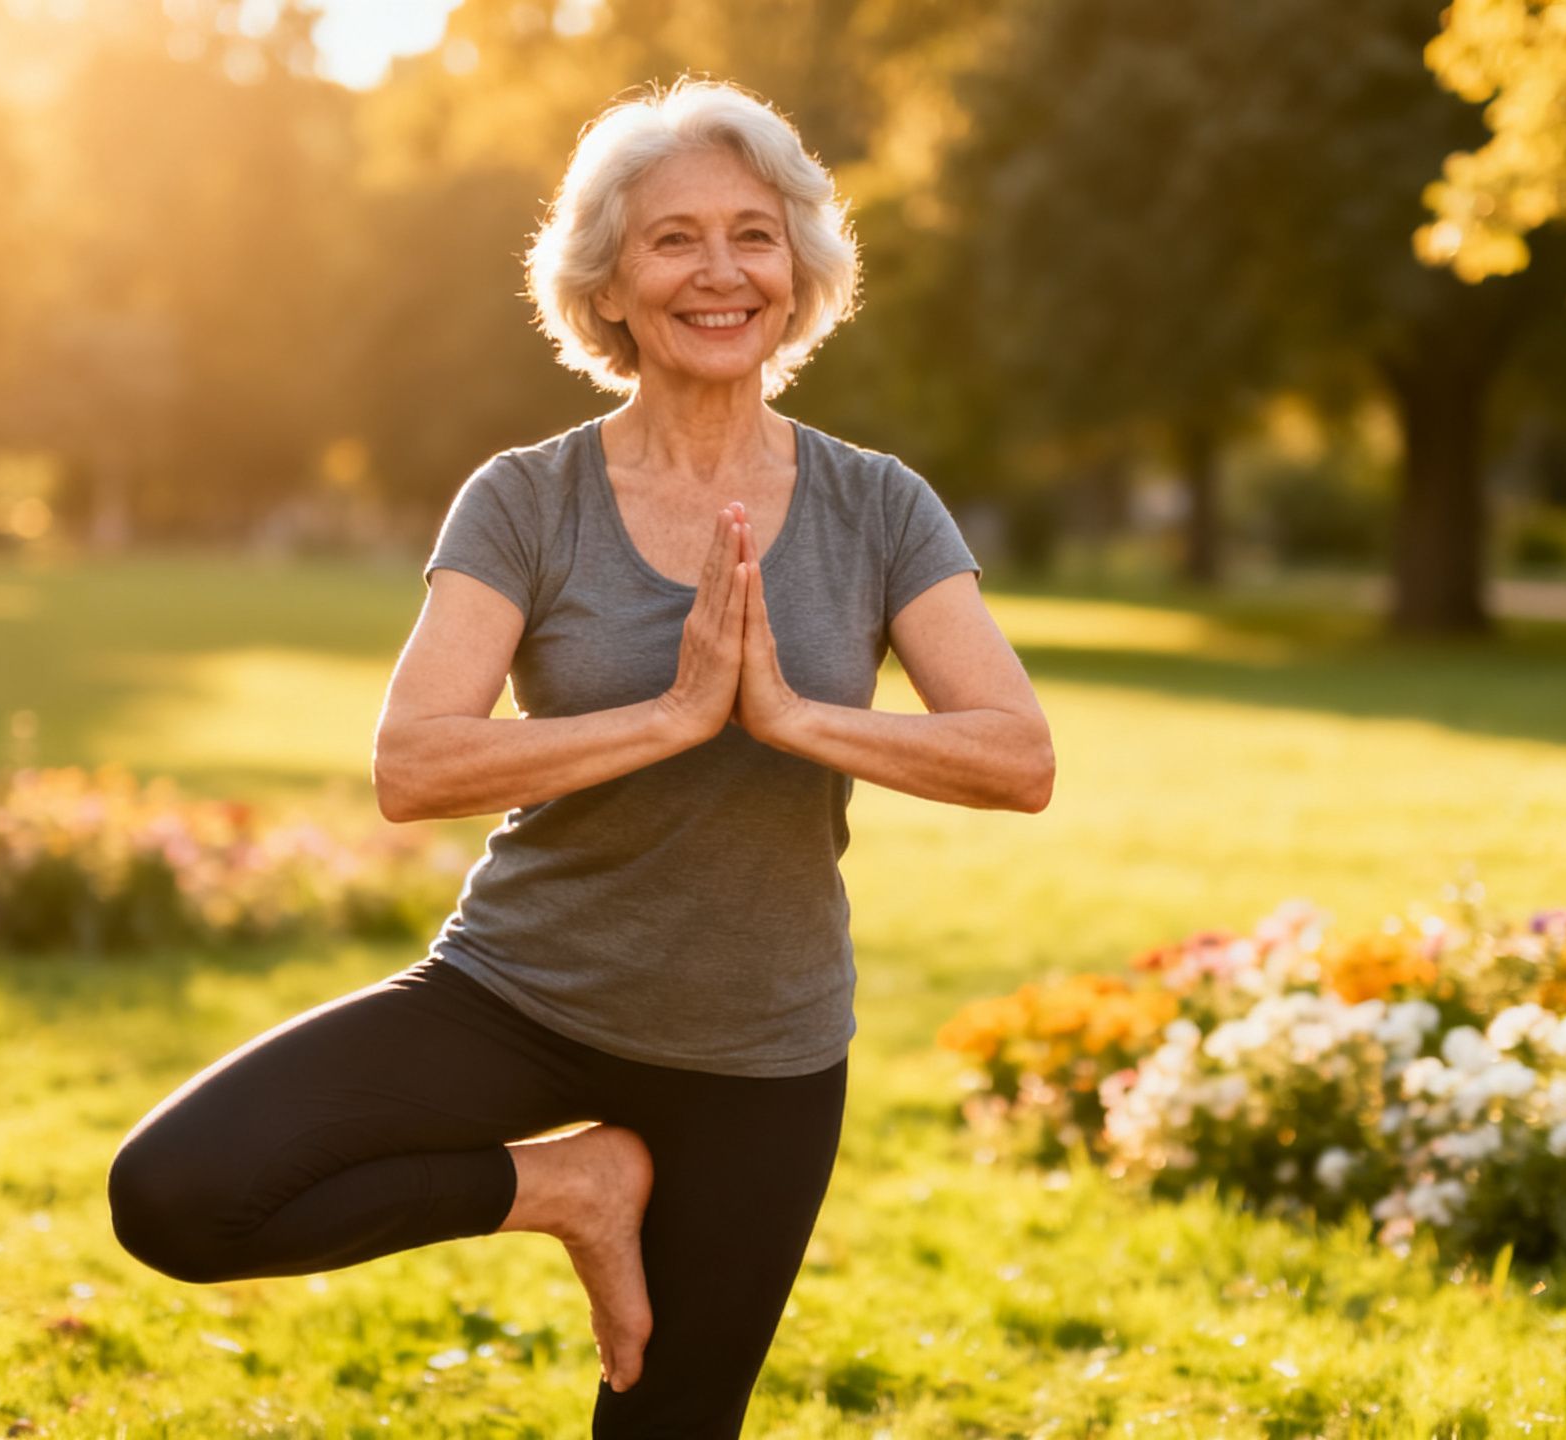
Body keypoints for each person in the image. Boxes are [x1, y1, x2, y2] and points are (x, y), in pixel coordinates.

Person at [104, 77, 1054, 1436]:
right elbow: (413, 764)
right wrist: (669, 719)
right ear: (607, 283)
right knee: (180, 1193)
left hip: (757, 1050)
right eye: (673, 239)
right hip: (519, 995)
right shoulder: (527, 499)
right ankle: (572, 1189)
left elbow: (1016, 756)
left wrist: (787, 716)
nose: (719, 271)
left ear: (799, 271)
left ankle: (605, 1197)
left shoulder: (877, 505)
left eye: (754, 234)